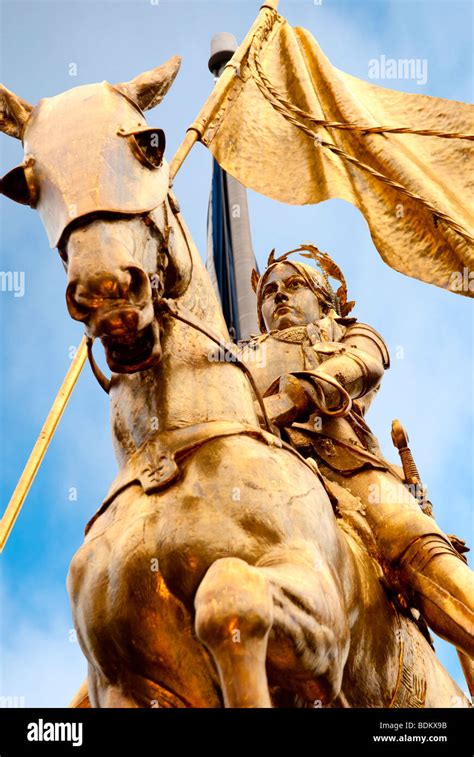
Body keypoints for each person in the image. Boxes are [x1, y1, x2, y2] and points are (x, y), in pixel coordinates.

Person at [239, 244, 474, 671]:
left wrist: (300, 393)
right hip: (260, 475)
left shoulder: (350, 333)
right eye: (269, 291)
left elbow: (364, 364)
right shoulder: (239, 357)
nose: (279, 296)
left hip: (348, 470)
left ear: (323, 298)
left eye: (294, 285)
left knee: (413, 543)